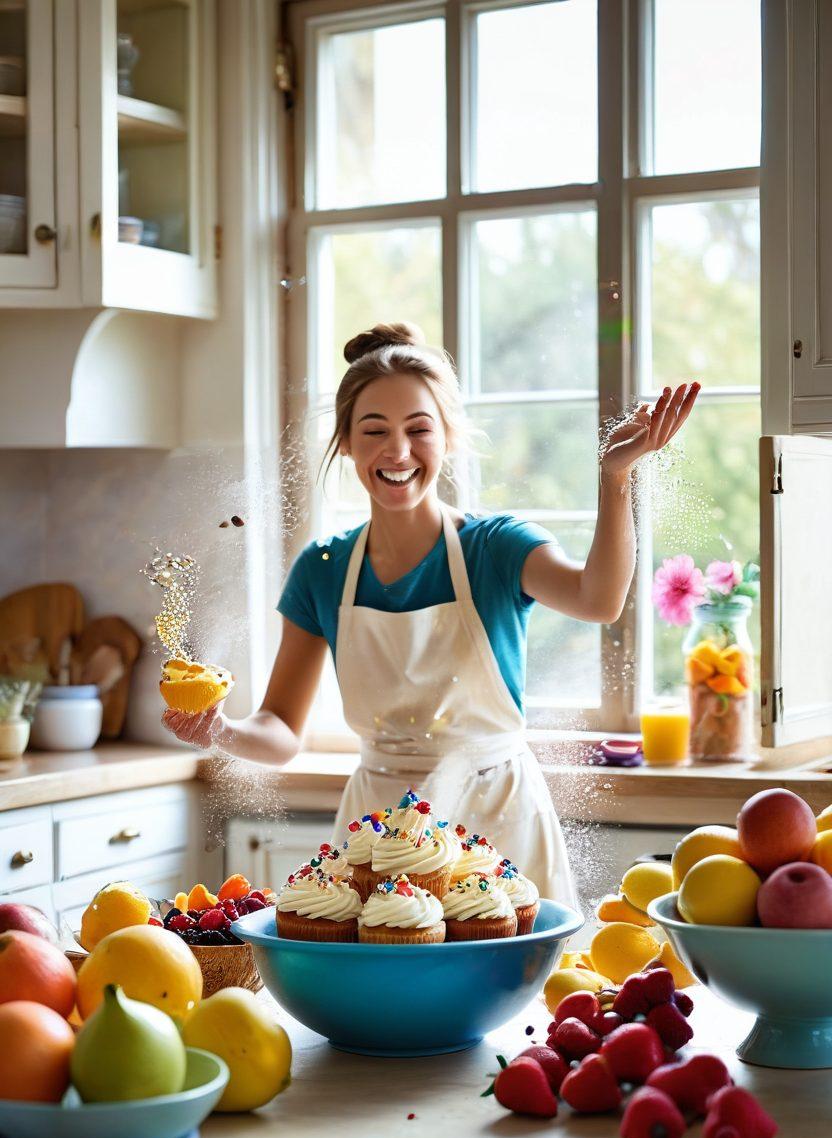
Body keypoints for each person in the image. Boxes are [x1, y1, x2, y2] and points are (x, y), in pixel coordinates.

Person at [163, 322, 699, 901]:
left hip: (496, 822)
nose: (397, 452)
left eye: (419, 429)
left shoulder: (497, 547)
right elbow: (282, 731)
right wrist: (220, 729)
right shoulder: (321, 568)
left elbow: (598, 600)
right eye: (374, 431)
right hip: (375, 833)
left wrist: (615, 476)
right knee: (380, 989)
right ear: (345, 441)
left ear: (447, 437)